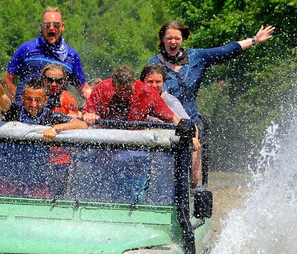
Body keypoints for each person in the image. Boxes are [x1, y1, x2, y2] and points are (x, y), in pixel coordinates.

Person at [146, 20, 275, 124]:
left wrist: (254, 40)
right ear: (162, 39)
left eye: (177, 38)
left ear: (182, 39)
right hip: (164, 123)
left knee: (195, 143)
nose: (173, 42)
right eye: (169, 38)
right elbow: (144, 95)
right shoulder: (154, 64)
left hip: (191, 121)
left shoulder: (196, 57)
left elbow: (225, 51)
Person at [3, 7, 91, 103]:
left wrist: (100, 103)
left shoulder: (72, 55)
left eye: (56, 25)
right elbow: (7, 80)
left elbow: (83, 89)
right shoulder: (27, 48)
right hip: (27, 110)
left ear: (62, 27)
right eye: (47, 25)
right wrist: (18, 102)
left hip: (57, 112)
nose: (51, 28)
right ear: (41, 27)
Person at [0, 60, 87, 140]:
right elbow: (0, 95)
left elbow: (82, 124)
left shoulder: (50, 116)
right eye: (29, 99)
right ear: (22, 98)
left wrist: (55, 129)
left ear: (45, 100)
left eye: (38, 100)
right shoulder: (15, 111)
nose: (33, 104)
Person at [140, 63, 203, 186]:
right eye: (150, 81)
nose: (154, 85)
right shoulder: (137, 99)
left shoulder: (170, 101)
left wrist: (194, 138)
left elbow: (189, 125)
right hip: (143, 147)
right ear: (143, 81)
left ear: (163, 82)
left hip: (166, 149)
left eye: (158, 81)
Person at [82, 65, 179, 124]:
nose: (124, 95)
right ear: (113, 85)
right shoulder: (103, 88)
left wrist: (188, 132)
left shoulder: (147, 92)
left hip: (135, 143)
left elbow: (171, 117)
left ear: (134, 82)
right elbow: (87, 113)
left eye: (128, 91)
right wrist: (89, 115)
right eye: (120, 91)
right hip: (105, 140)